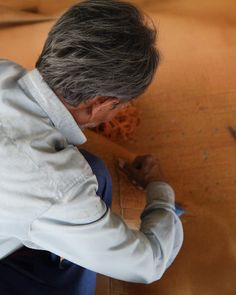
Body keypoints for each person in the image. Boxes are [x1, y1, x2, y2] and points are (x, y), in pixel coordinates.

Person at [0, 0, 184, 294]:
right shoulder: (60, 188)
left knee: (95, 172)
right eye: (120, 105)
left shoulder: (4, 70)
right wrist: (160, 190)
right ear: (102, 105)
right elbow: (148, 263)